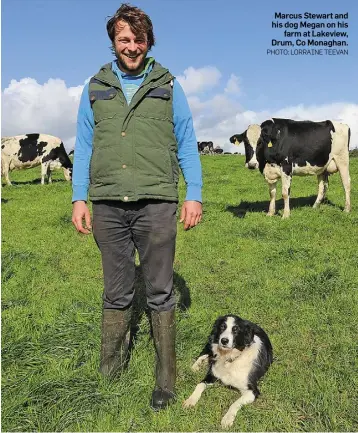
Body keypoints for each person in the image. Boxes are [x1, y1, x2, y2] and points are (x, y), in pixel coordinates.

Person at [71, 3, 202, 411]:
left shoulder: (168, 84)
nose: (132, 46)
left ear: (149, 41)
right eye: (124, 39)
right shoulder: (95, 86)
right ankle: (110, 372)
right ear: (114, 41)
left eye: (138, 39)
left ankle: (166, 380)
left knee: (160, 292)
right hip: (108, 204)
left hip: (157, 203)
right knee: (116, 291)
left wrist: (193, 191)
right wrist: (79, 196)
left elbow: (186, 139)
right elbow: (85, 144)